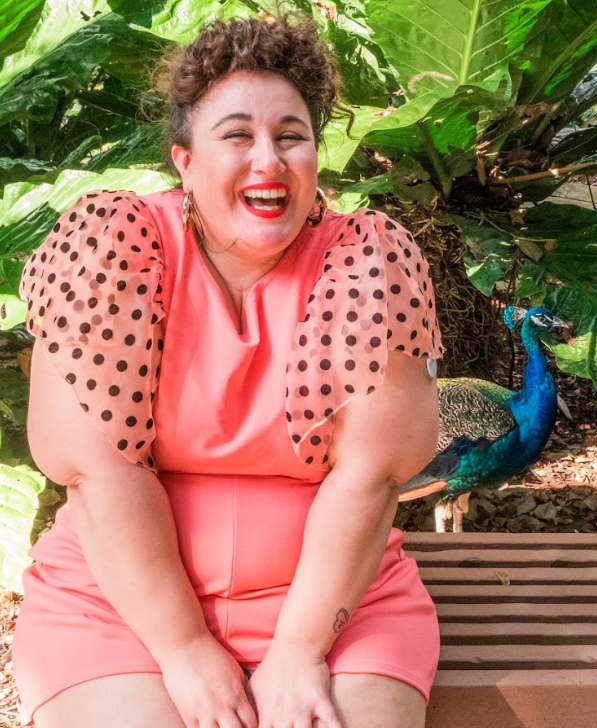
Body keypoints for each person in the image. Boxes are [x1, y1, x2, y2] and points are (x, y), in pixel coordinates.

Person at [12, 15, 444, 728]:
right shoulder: (115, 247)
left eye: (292, 135)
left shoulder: (366, 259)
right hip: (119, 604)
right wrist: (183, 649)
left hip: (335, 609)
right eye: (237, 135)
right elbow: (98, 469)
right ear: (184, 159)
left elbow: (370, 475)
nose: (268, 159)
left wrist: (301, 650)